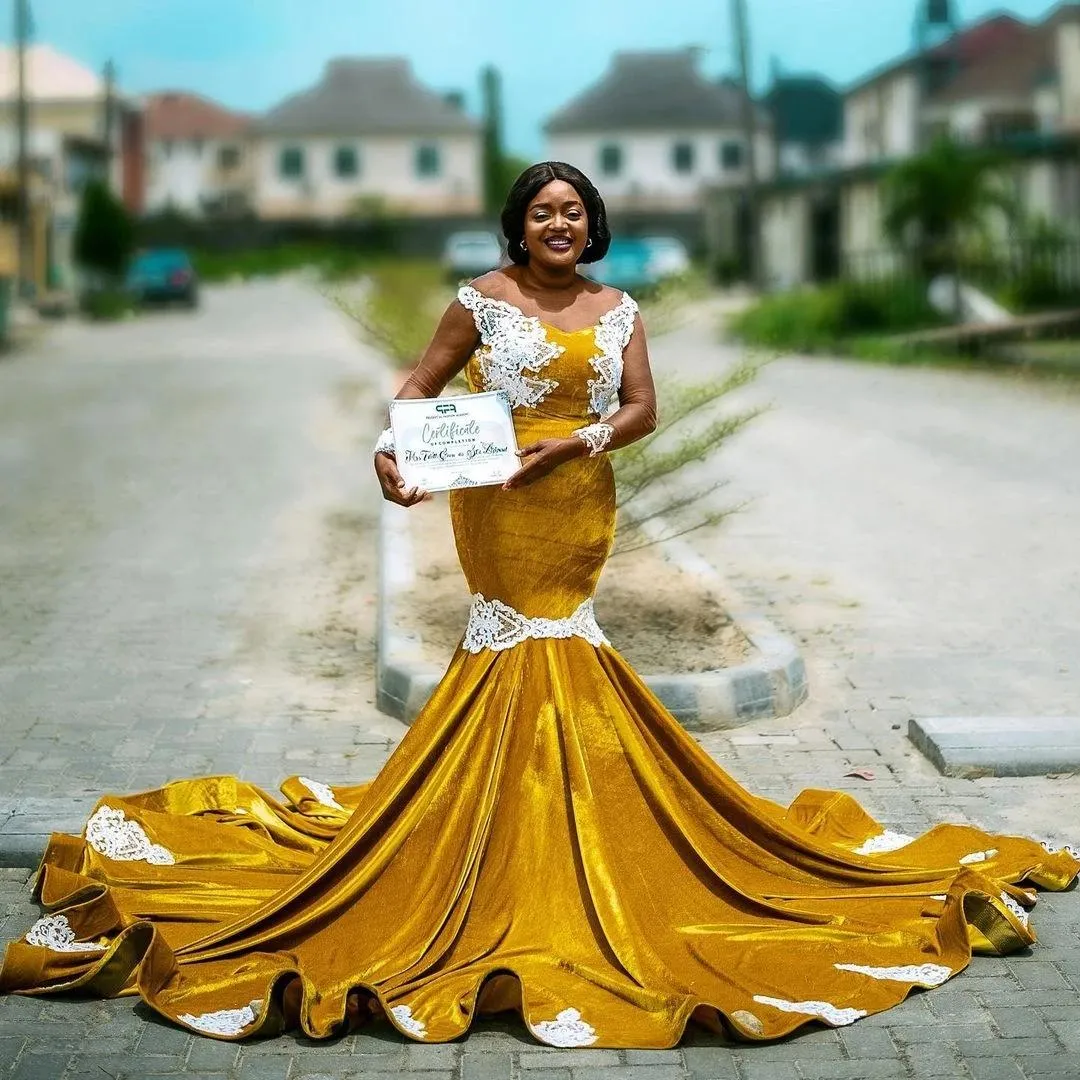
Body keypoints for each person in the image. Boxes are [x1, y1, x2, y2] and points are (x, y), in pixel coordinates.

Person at [1, 162, 1076, 1050]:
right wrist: (393, 451)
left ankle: (548, 826)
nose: (557, 224)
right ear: (517, 227)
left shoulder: (620, 310)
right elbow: (420, 386)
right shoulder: (481, 301)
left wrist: (586, 438)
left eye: (573, 211)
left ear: (590, 224)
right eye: (539, 212)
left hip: (577, 496)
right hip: (495, 504)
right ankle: (498, 834)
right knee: (511, 642)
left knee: (564, 641)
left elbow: (646, 409)